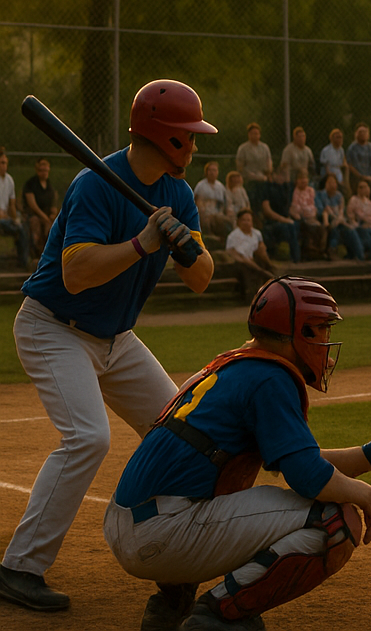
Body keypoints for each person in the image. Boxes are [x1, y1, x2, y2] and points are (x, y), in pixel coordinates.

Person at [0, 79, 214, 613]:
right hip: (54, 326)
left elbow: (203, 279)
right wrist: (143, 243)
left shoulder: (178, 194)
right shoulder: (95, 185)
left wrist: (185, 246)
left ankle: (175, 561)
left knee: (180, 432)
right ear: (165, 138)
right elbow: (74, 275)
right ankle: (18, 568)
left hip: (115, 339)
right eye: (188, 137)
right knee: (88, 438)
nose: (194, 145)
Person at [103, 277, 371, 631]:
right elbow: (308, 475)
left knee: (222, 489)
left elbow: (302, 457)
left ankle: (171, 607)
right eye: (321, 329)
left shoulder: (234, 366)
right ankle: (218, 616)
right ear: (299, 331)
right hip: (161, 532)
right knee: (335, 521)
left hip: (133, 522)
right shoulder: (269, 379)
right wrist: (367, 495)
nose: (326, 342)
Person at [225, 208, 275, 297]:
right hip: (241, 262)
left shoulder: (257, 233)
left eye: (248, 220)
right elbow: (239, 256)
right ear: (238, 222)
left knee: (263, 261)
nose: (246, 222)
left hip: (255, 259)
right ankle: (250, 294)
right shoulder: (234, 236)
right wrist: (259, 269)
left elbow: (262, 248)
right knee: (247, 268)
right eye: (243, 220)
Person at [318, 174, 363, 262]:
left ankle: (359, 255)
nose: (332, 184)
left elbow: (341, 211)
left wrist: (339, 219)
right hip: (327, 220)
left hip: (339, 221)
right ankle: (332, 250)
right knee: (336, 229)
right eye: (329, 182)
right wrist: (337, 220)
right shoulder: (321, 194)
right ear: (325, 184)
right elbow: (325, 210)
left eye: (334, 182)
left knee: (351, 231)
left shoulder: (339, 196)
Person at [0, 149, 32, 270]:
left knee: (22, 225)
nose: (4, 166)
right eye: (2, 163)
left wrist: (15, 218)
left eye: (5, 163)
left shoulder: (9, 180)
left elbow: (12, 205)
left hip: (5, 218)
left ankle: (23, 263)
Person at [234, 122, 274, 216]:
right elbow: (240, 166)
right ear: (249, 134)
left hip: (263, 179)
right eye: (253, 133)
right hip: (249, 180)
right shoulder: (243, 148)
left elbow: (269, 162)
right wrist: (253, 176)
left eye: (257, 133)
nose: (255, 135)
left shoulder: (264, 147)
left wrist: (268, 172)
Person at [23, 157, 59, 258]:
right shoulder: (31, 184)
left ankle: (50, 254)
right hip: (34, 214)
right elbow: (32, 205)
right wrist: (44, 217)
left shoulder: (49, 185)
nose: (44, 172)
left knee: (52, 226)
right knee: (36, 223)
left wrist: (52, 213)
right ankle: (36, 255)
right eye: (41, 170)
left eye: (46, 170)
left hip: (46, 216)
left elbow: (53, 203)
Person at [289, 170, 326, 259]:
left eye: (305, 178)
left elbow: (315, 205)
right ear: (297, 180)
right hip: (302, 217)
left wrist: (313, 213)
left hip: (313, 215)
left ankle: (320, 251)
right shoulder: (294, 192)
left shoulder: (311, 191)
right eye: (301, 179)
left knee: (323, 228)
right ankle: (310, 252)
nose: (303, 181)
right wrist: (305, 213)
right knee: (307, 226)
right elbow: (296, 207)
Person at [194, 161, 235, 240]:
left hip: (218, 214)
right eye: (210, 170)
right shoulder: (201, 186)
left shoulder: (220, 187)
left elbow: (225, 203)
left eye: (214, 170)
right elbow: (197, 202)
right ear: (206, 172)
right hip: (205, 213)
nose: (212, 173)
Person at [346, 180, 371, 261]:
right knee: (367, 237)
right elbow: (351, 214)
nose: (362, 189)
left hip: (370, 225)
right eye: (360, 187)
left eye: (364, 187)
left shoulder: (369, 203)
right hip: (358, 225)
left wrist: (370, 221)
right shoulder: (354, 200)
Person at [345, 123, 371, 197]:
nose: (362, 134)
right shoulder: (352, 148)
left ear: (368, 134)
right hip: (358, 179)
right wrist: (364, 178)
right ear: (356, 134)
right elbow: (350, 166)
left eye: (365, 132)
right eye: (360, 132)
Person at [259, 194, 303, 263]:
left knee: (296, 224)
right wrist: (283, 219)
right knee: (290, 227)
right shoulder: (267, 190)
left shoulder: (286, 189)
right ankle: (295, 257)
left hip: (286, 220)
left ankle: (296, 258)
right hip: (271, 222)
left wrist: (293, 215)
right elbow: (267, 211)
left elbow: (289, 209)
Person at [278, 125, 316, 191]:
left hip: (305, 177)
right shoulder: (289, 150)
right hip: (293, 178)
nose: (302, 138)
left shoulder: (308, 150)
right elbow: (284, 165)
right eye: (299, 136)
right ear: (295, 137)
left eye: (303, 136)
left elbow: (311, 165)